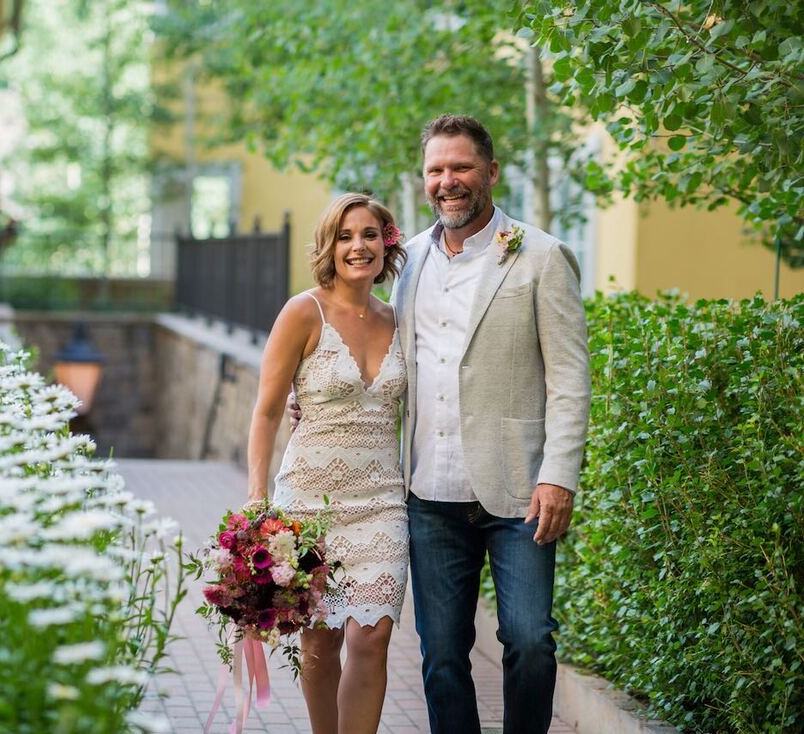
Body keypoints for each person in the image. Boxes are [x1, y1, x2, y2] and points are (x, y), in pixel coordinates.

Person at [290, 114, 590, 733]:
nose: (447, 181)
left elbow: (569, 379)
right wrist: (310, 396)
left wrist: (558, 476)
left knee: (531, 640)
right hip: (426, 494)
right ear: (424, 179)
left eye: (461, 167)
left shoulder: (541, 257)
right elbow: (376, 354)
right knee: (442, 656)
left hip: (519, 492)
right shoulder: (408, 262)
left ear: (491, 172)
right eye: (436, 170)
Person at [246, 192, 409, 734]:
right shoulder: (303, 311)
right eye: (345, 236)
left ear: (387, 243)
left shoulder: (400, 319)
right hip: (310, 507)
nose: (357, 246)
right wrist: (256, 498)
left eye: (368, 234)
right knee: (320, 641)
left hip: (382, 504)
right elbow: (267, 412)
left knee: (374, 636)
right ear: (329, 246)